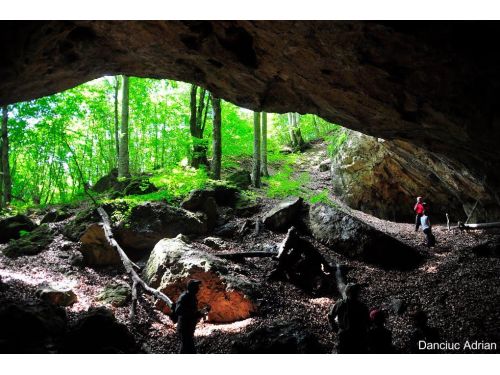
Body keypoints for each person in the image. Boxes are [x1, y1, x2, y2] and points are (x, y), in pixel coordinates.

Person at [328, 283, 369, 353]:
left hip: (357, 337)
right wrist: (335, 329)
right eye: (353, 292)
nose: (355, 294)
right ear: (348, 293)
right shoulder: (341, 304)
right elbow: (330, 316)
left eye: (356, 292)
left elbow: (367, 322)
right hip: (344, 337)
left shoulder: (362, 307)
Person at [174, 279, 210, 354]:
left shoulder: (192, 297)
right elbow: (178, 310)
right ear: (192, 288)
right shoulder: (184, 297)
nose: (198, 288)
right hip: (184, 329)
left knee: (188, 350)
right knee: (187, 349)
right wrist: (194, 314)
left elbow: (193, 313)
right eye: (196, 287)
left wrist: (202, 311)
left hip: (189, 329)